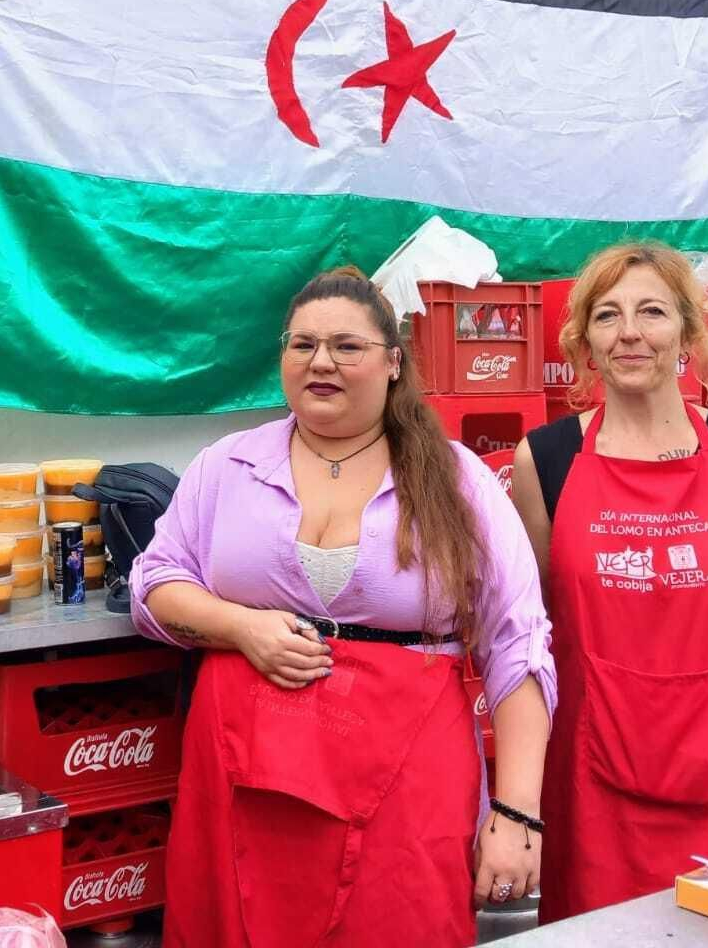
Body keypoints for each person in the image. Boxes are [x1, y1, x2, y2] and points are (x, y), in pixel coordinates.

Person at [131, 266, 556, 948]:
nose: (321, 361)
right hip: (243, 781)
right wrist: (240, 627)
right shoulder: (227, 465)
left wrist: (517, 813)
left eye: (346, 346)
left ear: (393, 363)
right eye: (302, 344)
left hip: (407, 783)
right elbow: (154, 585)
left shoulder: (456, 479)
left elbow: (518, 643)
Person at [510, 242, 708, 922]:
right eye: (608, 315)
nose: (631, 332)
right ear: (586, 340)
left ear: (689, 332)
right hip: (595, 787)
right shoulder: (545, 462)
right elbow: (532, 632)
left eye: (652, 312)